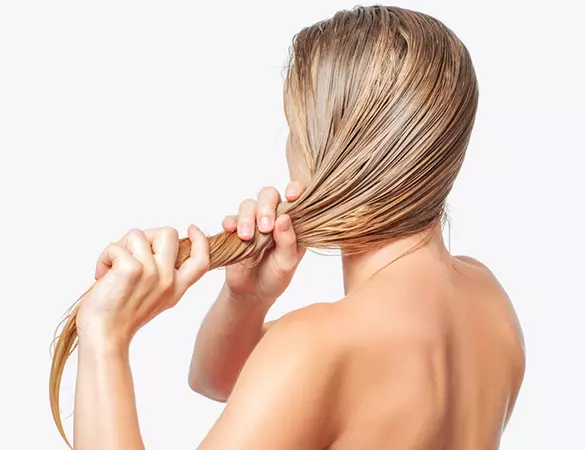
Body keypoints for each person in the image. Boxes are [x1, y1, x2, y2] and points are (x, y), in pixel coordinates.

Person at [57, 5, 525, 449]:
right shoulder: (489, 300)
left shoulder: (319, 346)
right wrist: (248, 298)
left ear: (327, 152)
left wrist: (105, 339)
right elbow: (214, 380)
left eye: (293, 128)